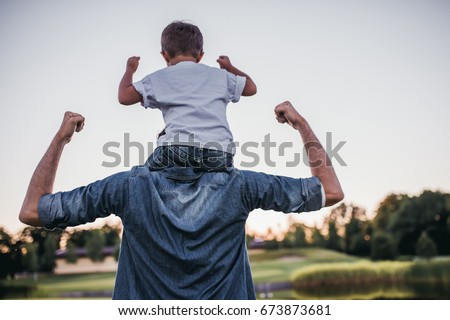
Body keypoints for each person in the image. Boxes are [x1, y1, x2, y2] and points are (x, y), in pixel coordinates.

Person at [19, 101, 344, 299]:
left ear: (160, 145)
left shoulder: (127, 187)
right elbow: (330, 191)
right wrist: (300, 124)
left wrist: (61, 138)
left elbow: (33, 210)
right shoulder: (240, 185)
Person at [118, 21, 257, 171]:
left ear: (164, 55)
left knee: (143, 177)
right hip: (219, 151)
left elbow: (124, 96)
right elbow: (251, 88)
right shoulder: (220, 76)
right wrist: (229, 68)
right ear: (200, 55)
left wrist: (130, 70)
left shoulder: (159, 78)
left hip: (176, 148)